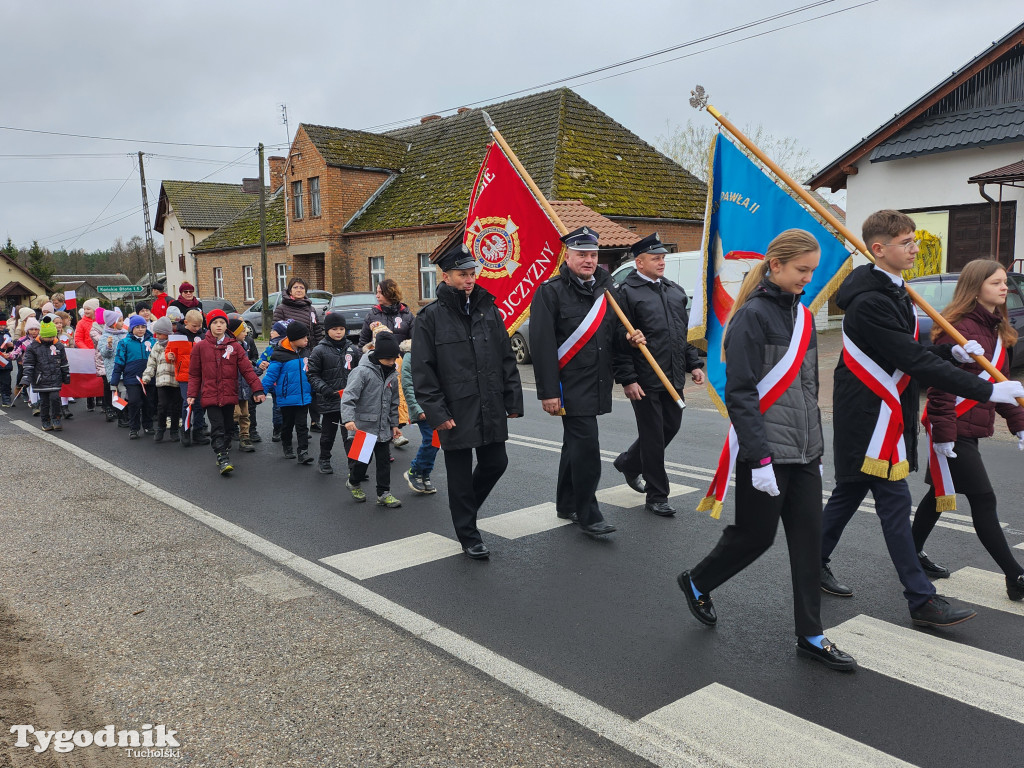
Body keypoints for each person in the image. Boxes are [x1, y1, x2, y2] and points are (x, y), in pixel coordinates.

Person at [819, 209, 1024, 628]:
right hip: (870, 420)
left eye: (914, 240)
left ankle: (811, 560)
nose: (916, 248)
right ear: (879, 249)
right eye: (907, 242)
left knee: (848, 496)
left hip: (886, 417)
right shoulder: (871, 302)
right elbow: (910, 359)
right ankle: (921, 599)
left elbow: (910, 353)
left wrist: (950, 352)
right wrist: (986, 389)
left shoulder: (897, 293)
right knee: (895, 504)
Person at [678, 230, 855, 671]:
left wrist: (814, 444)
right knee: (756, 537)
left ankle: (811, 636)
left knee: (808, 544)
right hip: (766, 455)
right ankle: (698, 581)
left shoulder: (805, 318)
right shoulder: (751, 318)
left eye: (812, 271)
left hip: (804, 452)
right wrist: (758, 460)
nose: (808, 279)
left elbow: (808, 389)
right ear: (775, 265)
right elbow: (740, 393)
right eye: (801, 270)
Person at [914, 259, 1024, 600]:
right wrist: (944, 434)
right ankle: (1015, 576)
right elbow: (940, 388)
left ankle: (910, 555)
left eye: (1005, 282)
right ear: (976, 287)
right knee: (983, 498)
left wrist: (1019, 425)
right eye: (996, 283)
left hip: (970, 427)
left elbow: (999, 386)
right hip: (953, 429)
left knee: (938, 496)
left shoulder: (995, 329)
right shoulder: (959, 328)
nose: (1005, 288)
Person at [528, 226, 645, 536]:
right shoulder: (550, 292)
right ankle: (588, 513)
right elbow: (541, 346)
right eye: (582, 255)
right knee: (587, 448)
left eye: (593, 255)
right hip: (568, 385)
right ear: (568, 256)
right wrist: (549, 392)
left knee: (575, 446)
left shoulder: (607, 290)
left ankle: (566, 503)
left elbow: (611, 336)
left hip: (597, 381)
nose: (589, 260)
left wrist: (629, 339)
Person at [412, 244, 524, 557]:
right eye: (463, 274)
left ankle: (464, 511)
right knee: (460, 475)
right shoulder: (429, 318)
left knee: (496, 462)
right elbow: (423, 371)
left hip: (489, 402)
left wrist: (512, 400)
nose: (470, 279)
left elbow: (505, 358)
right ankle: (468, 535)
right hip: (455, 407)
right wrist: (437, 412)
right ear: (446, 276)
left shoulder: (489, 309)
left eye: (472, 273)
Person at [612, 233, 705, 516]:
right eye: (656, 258)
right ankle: (657, 495)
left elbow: (683, 334)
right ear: (639, 263)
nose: (662, 262)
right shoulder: (625, 293)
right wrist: (628, 379)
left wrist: (694, 364)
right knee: (652, 436)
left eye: (663, 257)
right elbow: (618, 340)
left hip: (673, 375)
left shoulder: (674, 290)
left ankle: (629, 462)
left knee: (670, 427)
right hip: (645, 378)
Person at [186, 309, 265, 475]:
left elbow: (247, 370)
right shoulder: (200, 347)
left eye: (222, 322)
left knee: (229, 427)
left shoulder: (235, 347)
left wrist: (257, 389)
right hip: (210, 395)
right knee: (218, 426)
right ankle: (221, 456)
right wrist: (192, 394)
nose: (219, 325)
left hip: (229, 394)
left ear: (226, 325)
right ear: (209, 326)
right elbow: (194, 374)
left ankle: (225, 448)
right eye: (215, 322)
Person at [341, 330, 402, 507]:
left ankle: (384, 493)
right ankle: (353, 482)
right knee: (361, 462)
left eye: (394, 359)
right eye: (388, 359)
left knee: (384, 462)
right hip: (363, 427)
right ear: (379, 355)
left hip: (383, 427)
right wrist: (348, 419)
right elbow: (348, 397)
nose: (392, 362)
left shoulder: (392, 374)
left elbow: (393, 402)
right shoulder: (362, 372)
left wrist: (395, 424)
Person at [307, 312, 362, 474]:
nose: (338, 332)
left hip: (350, 401)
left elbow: (361, 372)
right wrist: (325, 389)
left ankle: (355, 467)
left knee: (351, 435)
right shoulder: (319, 350)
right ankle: (324, 459)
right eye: (334, 329)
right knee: (327, 434)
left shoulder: (353, 349)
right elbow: (312, 374)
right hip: (330, 400)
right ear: (327, 330)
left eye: (341, 329)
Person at [274, 277, 325, 430]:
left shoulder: (310, 309)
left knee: (313, 385)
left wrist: (318, 349)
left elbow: (316, 331)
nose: (299, 290)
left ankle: (315, 421)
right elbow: (276, 333)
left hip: (308, 351)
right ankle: (282, 426)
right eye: (295, 287)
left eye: (302, 288)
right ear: (290, 290)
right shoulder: (281, 308)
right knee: (291, 388)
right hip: (289, 354)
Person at [262, 321, 315, 465]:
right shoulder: (279, 355)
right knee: (287, 425)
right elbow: (271, 376)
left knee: (302, 426)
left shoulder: (306, 352)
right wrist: (260, 391)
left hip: (303, 397)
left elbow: (312, 373)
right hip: (286, 398)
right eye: (303, 337)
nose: (307, 340)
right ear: (293, 339)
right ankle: (287, 446)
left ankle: (303, 452)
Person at [166, 309, 210, 447]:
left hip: (201, 375)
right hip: (184, 375)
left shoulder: (203, 336)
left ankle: (198, 431)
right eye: (194, 326)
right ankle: (185, 431)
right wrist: (170, 356)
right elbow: (168, 352)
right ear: (186, 323)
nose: (197, 329)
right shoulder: (177, 336)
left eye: (199, 326)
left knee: (200, 405)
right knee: (188, 403)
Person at [401, 338, 438, 494]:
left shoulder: (435, 352)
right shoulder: (410, 357)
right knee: (430, 440)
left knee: (436, 442)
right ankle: (414, 471)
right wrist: (416, 408)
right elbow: (407, 385)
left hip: (437, 405)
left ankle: (425, 474)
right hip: (422, 406)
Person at [21, 315, 70, 431]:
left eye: (52, 336)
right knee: (44, 402)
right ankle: (45, 420)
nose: (50, 339)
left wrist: (66, 376)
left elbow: (64, 362)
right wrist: (26, 379)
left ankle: (56, 418)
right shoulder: (33, 347)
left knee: (55, 399)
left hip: (55, 378)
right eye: (48, 337)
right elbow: (28, 364)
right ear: (42, 335)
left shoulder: (58, 345)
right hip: (41, 379)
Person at [110, 315, 155, 440]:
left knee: (149, 403)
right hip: (132, 378)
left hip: (149, 378)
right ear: (132, 328)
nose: (140, 330)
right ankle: (134, 428)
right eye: (137, 327)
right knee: (134, 402)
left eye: (143, 327)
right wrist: (115, 379)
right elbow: (119, 361)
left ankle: (148, 425)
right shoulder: (124, 343)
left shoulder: (152, 341)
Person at [142, 316, 180, 442]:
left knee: (175, 406)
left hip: (175, 380)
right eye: (156, 333)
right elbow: (151, 362)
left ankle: (174, 430)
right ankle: (160, 428)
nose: (157, 336)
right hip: (161, 381)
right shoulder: (157, 346)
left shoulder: (176, 344)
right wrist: (147, 376)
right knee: (162, 405)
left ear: (166, 333)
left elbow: (182, 360)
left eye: (159, 333)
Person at [226, 318, 258, 452]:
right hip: (232, 388)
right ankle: (225, 436)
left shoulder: (244, 346)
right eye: (243, 331)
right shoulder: (228, 347)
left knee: (245, 414)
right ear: (235, 332)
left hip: (243, 387)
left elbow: (246, 368)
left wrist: (258, 369)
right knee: (234, 414)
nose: (246, 333)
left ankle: (245, 438)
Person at [358, 278, 415, 347]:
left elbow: (415, 342)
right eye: (377, 292)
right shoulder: (372, 315)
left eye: (380, 292)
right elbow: (363, 343)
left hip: (401, 357)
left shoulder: (407, 315)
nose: (377, 296)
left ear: (390, 293)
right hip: (379, 357)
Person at [96, 310, 129, 428]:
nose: (122, 323)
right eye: (119, 321)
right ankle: (121, 416)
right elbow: (104, 354)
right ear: (112, 323)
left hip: (126, 369)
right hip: (114, 371)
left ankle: (127, 414)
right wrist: (109, 346)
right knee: (119, 393)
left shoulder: (124, 334)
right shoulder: (105, 337)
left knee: (126, 392)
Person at [257, 320, 288, 442]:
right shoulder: (270, 348)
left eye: (273, 331)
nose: (271, 332)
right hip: (275, 385)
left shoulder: (289, 347)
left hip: (287, 384)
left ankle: (289, 429)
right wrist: (261, 363)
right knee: (277, 408)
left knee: (290, 409)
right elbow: (261, 359)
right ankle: (277, 429)